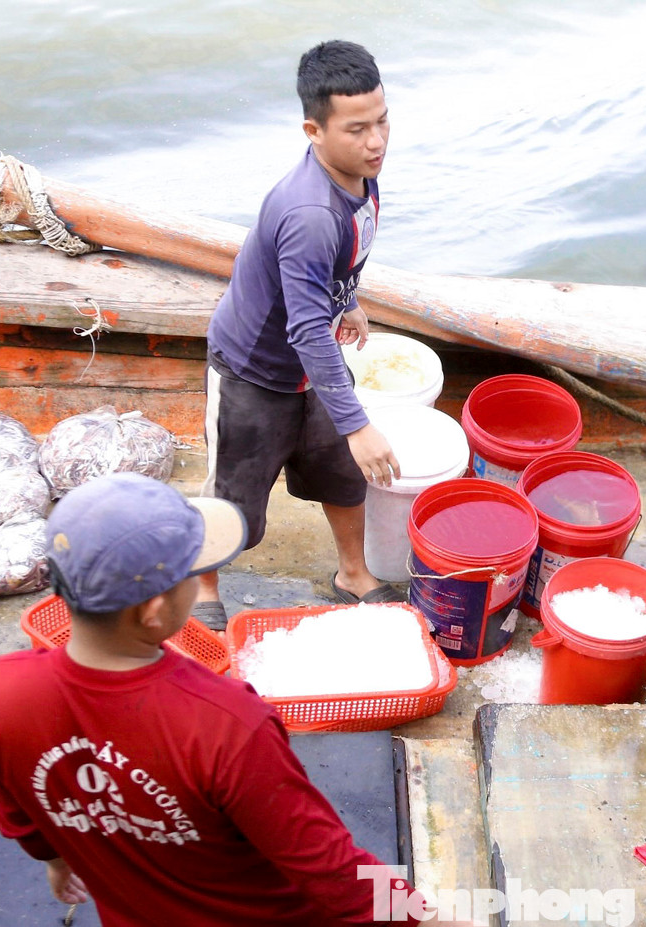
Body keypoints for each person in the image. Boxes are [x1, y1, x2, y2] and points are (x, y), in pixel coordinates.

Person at [0, 472, 473, 926]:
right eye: (193, 570)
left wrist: (58, 863)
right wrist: (425, 918)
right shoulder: (226, 723)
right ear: (153, 610)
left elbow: (22, 808)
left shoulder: (3, 692)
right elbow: (330, 872)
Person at [196, 39, 402, 630]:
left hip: (313, 362)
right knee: (234, 496)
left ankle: (353, 573)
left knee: (341, 470)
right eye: (357, 129)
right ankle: (204, 583)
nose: (377, 142)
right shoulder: (309, 212)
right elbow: (306, 326)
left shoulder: (360, 175)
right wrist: (359, 424)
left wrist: (349, 300)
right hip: (254, 370)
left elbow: (336, 267)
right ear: (314, 130)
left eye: (383, 120)